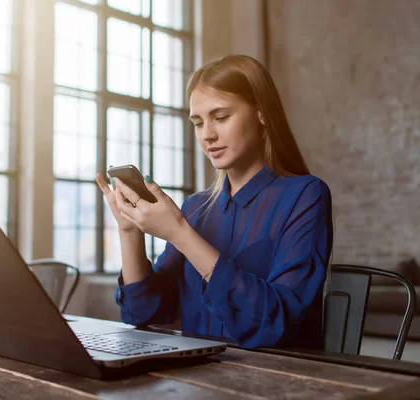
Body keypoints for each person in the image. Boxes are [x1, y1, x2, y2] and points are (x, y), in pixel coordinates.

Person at [95, 55, 333, 349]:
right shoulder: (196, 208)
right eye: (198, 123)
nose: (207, 135)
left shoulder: (305, 195)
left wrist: (180, 233)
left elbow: (274, 324)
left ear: (261, 113)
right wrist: (129, 232)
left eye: (220, 117)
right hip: (201, 379)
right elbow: (143, 313)